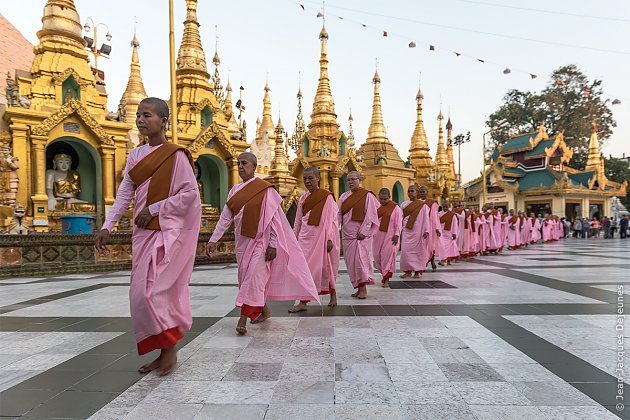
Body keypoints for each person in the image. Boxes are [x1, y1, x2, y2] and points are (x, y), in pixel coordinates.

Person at [95, 97, 201, 376]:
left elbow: (190, 195)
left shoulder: (176, 155)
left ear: (163, 120)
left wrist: (155, 209)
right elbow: (124, 194)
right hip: (142, 233)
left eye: (148, 115)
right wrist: (108, 224)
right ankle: (162, 350)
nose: (141, 120)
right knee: (139, 294)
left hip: (166, 232)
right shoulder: (134, 156)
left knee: (154, 290)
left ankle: (169, 350)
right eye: (139, 115)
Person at [207, 153, 319, 334]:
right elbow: (225, 218)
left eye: (244, 163)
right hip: (242, 242)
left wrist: (273, 244)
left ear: (254, 166)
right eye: (239, 163)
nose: (241, 167)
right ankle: (264, 311)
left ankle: (242, 320)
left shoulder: (266, 190)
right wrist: (213, 239)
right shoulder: (234, 191)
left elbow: (275, 220)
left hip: (262, 241)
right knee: (248, 279)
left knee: (252, 278)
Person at [289, 166, 340, 312]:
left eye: (310, 178)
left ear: (318, 178)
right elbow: (298, 220)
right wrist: (294, 238)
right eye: (305, 179)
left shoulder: (327, 196)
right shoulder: (303, 198)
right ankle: (303, 302)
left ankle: (333, 295)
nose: (307, 181)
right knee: (303, 269)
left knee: (325, 267)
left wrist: (330, 238)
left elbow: (332, 219)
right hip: (305, 238)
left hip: (321, 238)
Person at [338, 170, 380, 299]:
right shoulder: (343, 197)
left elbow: (371, 216)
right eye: (348, 180)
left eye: (353, 179)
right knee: (351, 263)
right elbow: (338, 215)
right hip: (347, 235)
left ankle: (363, 289)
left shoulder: (367, 196)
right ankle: (358, 286)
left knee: (360, 261)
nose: (350, 182)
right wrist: (337, 229)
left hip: (360, 236)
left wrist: (364, 232)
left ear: (359, 180)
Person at [373, 188, 402, 288]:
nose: (383, 201)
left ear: (389, 197)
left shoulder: (395, 208)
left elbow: (399, 223)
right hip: (377, 236)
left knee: (387, 258)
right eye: (381, 199)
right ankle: (383, 273)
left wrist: (397, 234)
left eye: (385, 199)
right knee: (377, 257)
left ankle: (386, 278)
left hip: (390, 237)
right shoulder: (376, 207)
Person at [399, 185, 430, 278]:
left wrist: (427, 230)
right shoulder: (404, 204)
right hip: (406, 231)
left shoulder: (423, 205)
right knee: (405, 251)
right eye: (408, 191)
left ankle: (417, 271)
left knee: (417, 251)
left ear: (417, 192)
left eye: (412, 191)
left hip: (418, 231)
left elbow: (426, 218)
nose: (410, 193)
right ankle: (407, 271)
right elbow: (400, 218)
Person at [417, 185, 441, 270]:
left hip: (430, 226)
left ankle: (432, 260)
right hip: (419, 226)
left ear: (427, 192)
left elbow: (435, 216)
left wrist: (437, 227)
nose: (422, 193)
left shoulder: (432, 202)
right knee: (421, 245)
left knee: (431, 245)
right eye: (420, 192)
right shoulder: (416, 202)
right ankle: (421, 263)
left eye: (424, 191)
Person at [439, 200, 460, 264]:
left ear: (449, 206)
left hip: (449, 232)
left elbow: (455, 224)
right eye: (444, 207)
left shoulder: (452, 215)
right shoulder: (439, 213)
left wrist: (454, 233)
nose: (445, 208)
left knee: (448, 247)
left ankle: (446, 259)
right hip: (441, 232)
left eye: (446, 207)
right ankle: (444, 259)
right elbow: (437, 223)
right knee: (442, 246)